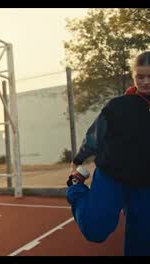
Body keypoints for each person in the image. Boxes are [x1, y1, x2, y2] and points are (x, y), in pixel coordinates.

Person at [66, 51, 150, 256]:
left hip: (145, 183)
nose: (146, 81)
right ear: (133, 77)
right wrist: (78, 159)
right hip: (112, 176)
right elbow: (94, 136)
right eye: (140, 76)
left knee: (142, 245)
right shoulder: (117, 106)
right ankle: (76, 189)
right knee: (95, 231)